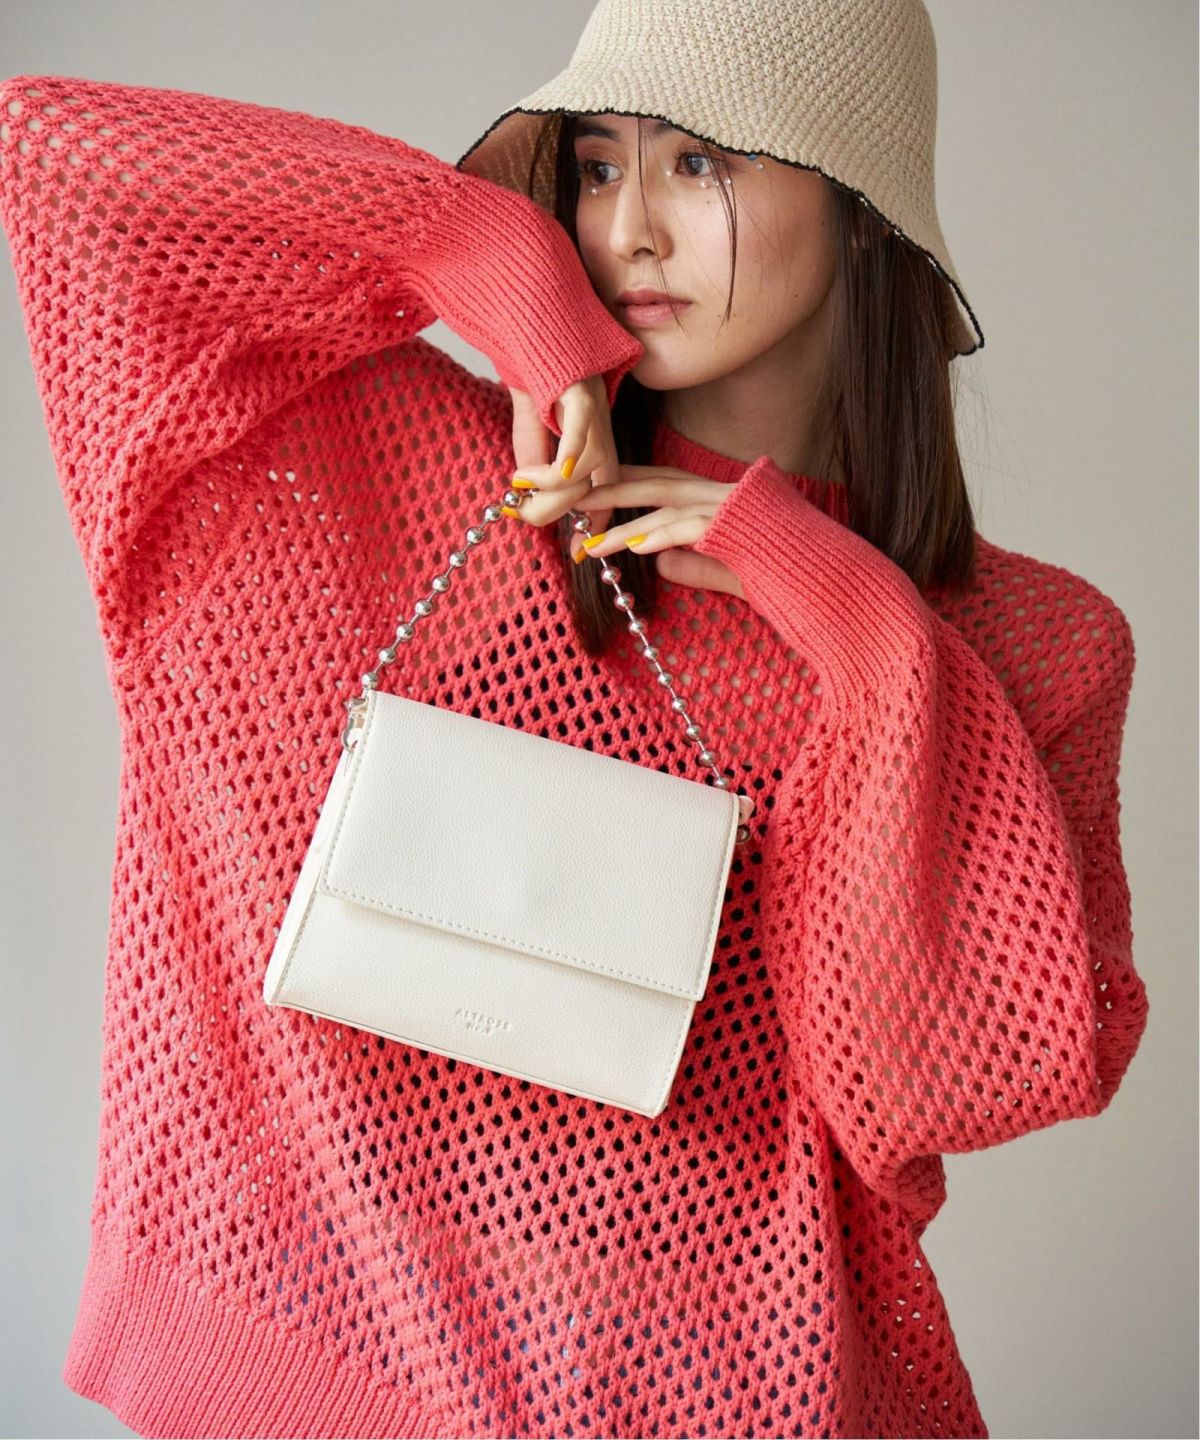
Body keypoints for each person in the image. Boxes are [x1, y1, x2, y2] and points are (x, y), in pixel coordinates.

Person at [0, 2, 1148, 1437]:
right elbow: (61, 160)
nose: (629, 231)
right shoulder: (418, 468)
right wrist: (497, 273)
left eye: (701, 163)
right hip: (334, 1378)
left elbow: (924, 1088)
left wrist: (860, 626)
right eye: (598, 167)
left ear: (862, 214)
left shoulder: (1035, 645)